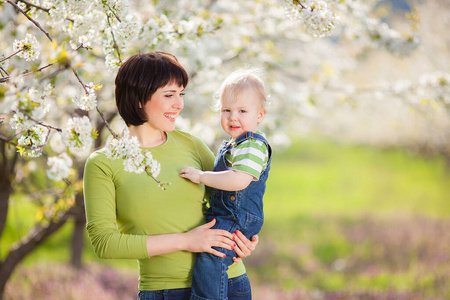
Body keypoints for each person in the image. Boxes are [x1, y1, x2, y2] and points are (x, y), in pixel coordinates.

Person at [83, 52, 259, 300]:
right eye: (169, 95)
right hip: (165, 291)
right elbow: (104, 242)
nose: (179, 104)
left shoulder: (191, 144)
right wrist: (186, 241)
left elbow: (234, 198)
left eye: (181, 94)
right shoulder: (102, 164)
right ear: (138, 100)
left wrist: (246, 238)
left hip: (229, 282)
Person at [179, 68, 272, 300]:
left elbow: (238, 180)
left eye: (242, 110)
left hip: (237, 217)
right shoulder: (234, 144)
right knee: (212, 252)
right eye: (226, 110)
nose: (233, 117)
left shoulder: (253, 145)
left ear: (260, 115)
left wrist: (202, 176)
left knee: (212, 255)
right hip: (226, 214)